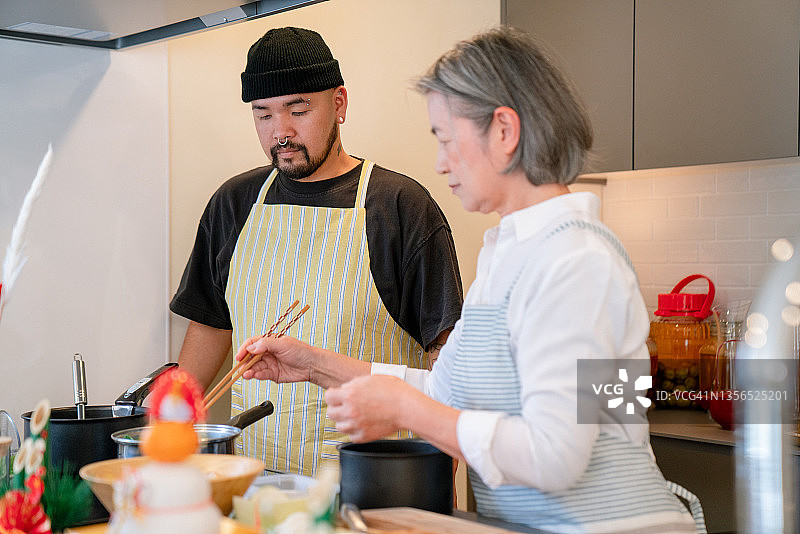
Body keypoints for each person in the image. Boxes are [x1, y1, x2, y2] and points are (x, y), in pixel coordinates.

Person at [235, 26, 706, 533]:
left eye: (446, 138)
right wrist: (316, 365)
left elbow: (556, 455)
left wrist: (403, 408)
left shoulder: (579, 261)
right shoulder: (511, 255)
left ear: (504, 130)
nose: (440, 163)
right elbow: (443, 390)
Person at [170, 26, 463, 477]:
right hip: (255, 482)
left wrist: (438, 497)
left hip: (376, 485)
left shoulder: (399, 207)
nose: (281, 132)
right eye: (263, 115)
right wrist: (167, 422)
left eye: (298, 110)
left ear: (339, 104)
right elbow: (211, 324)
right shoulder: (234, 203)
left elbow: (447, 366)